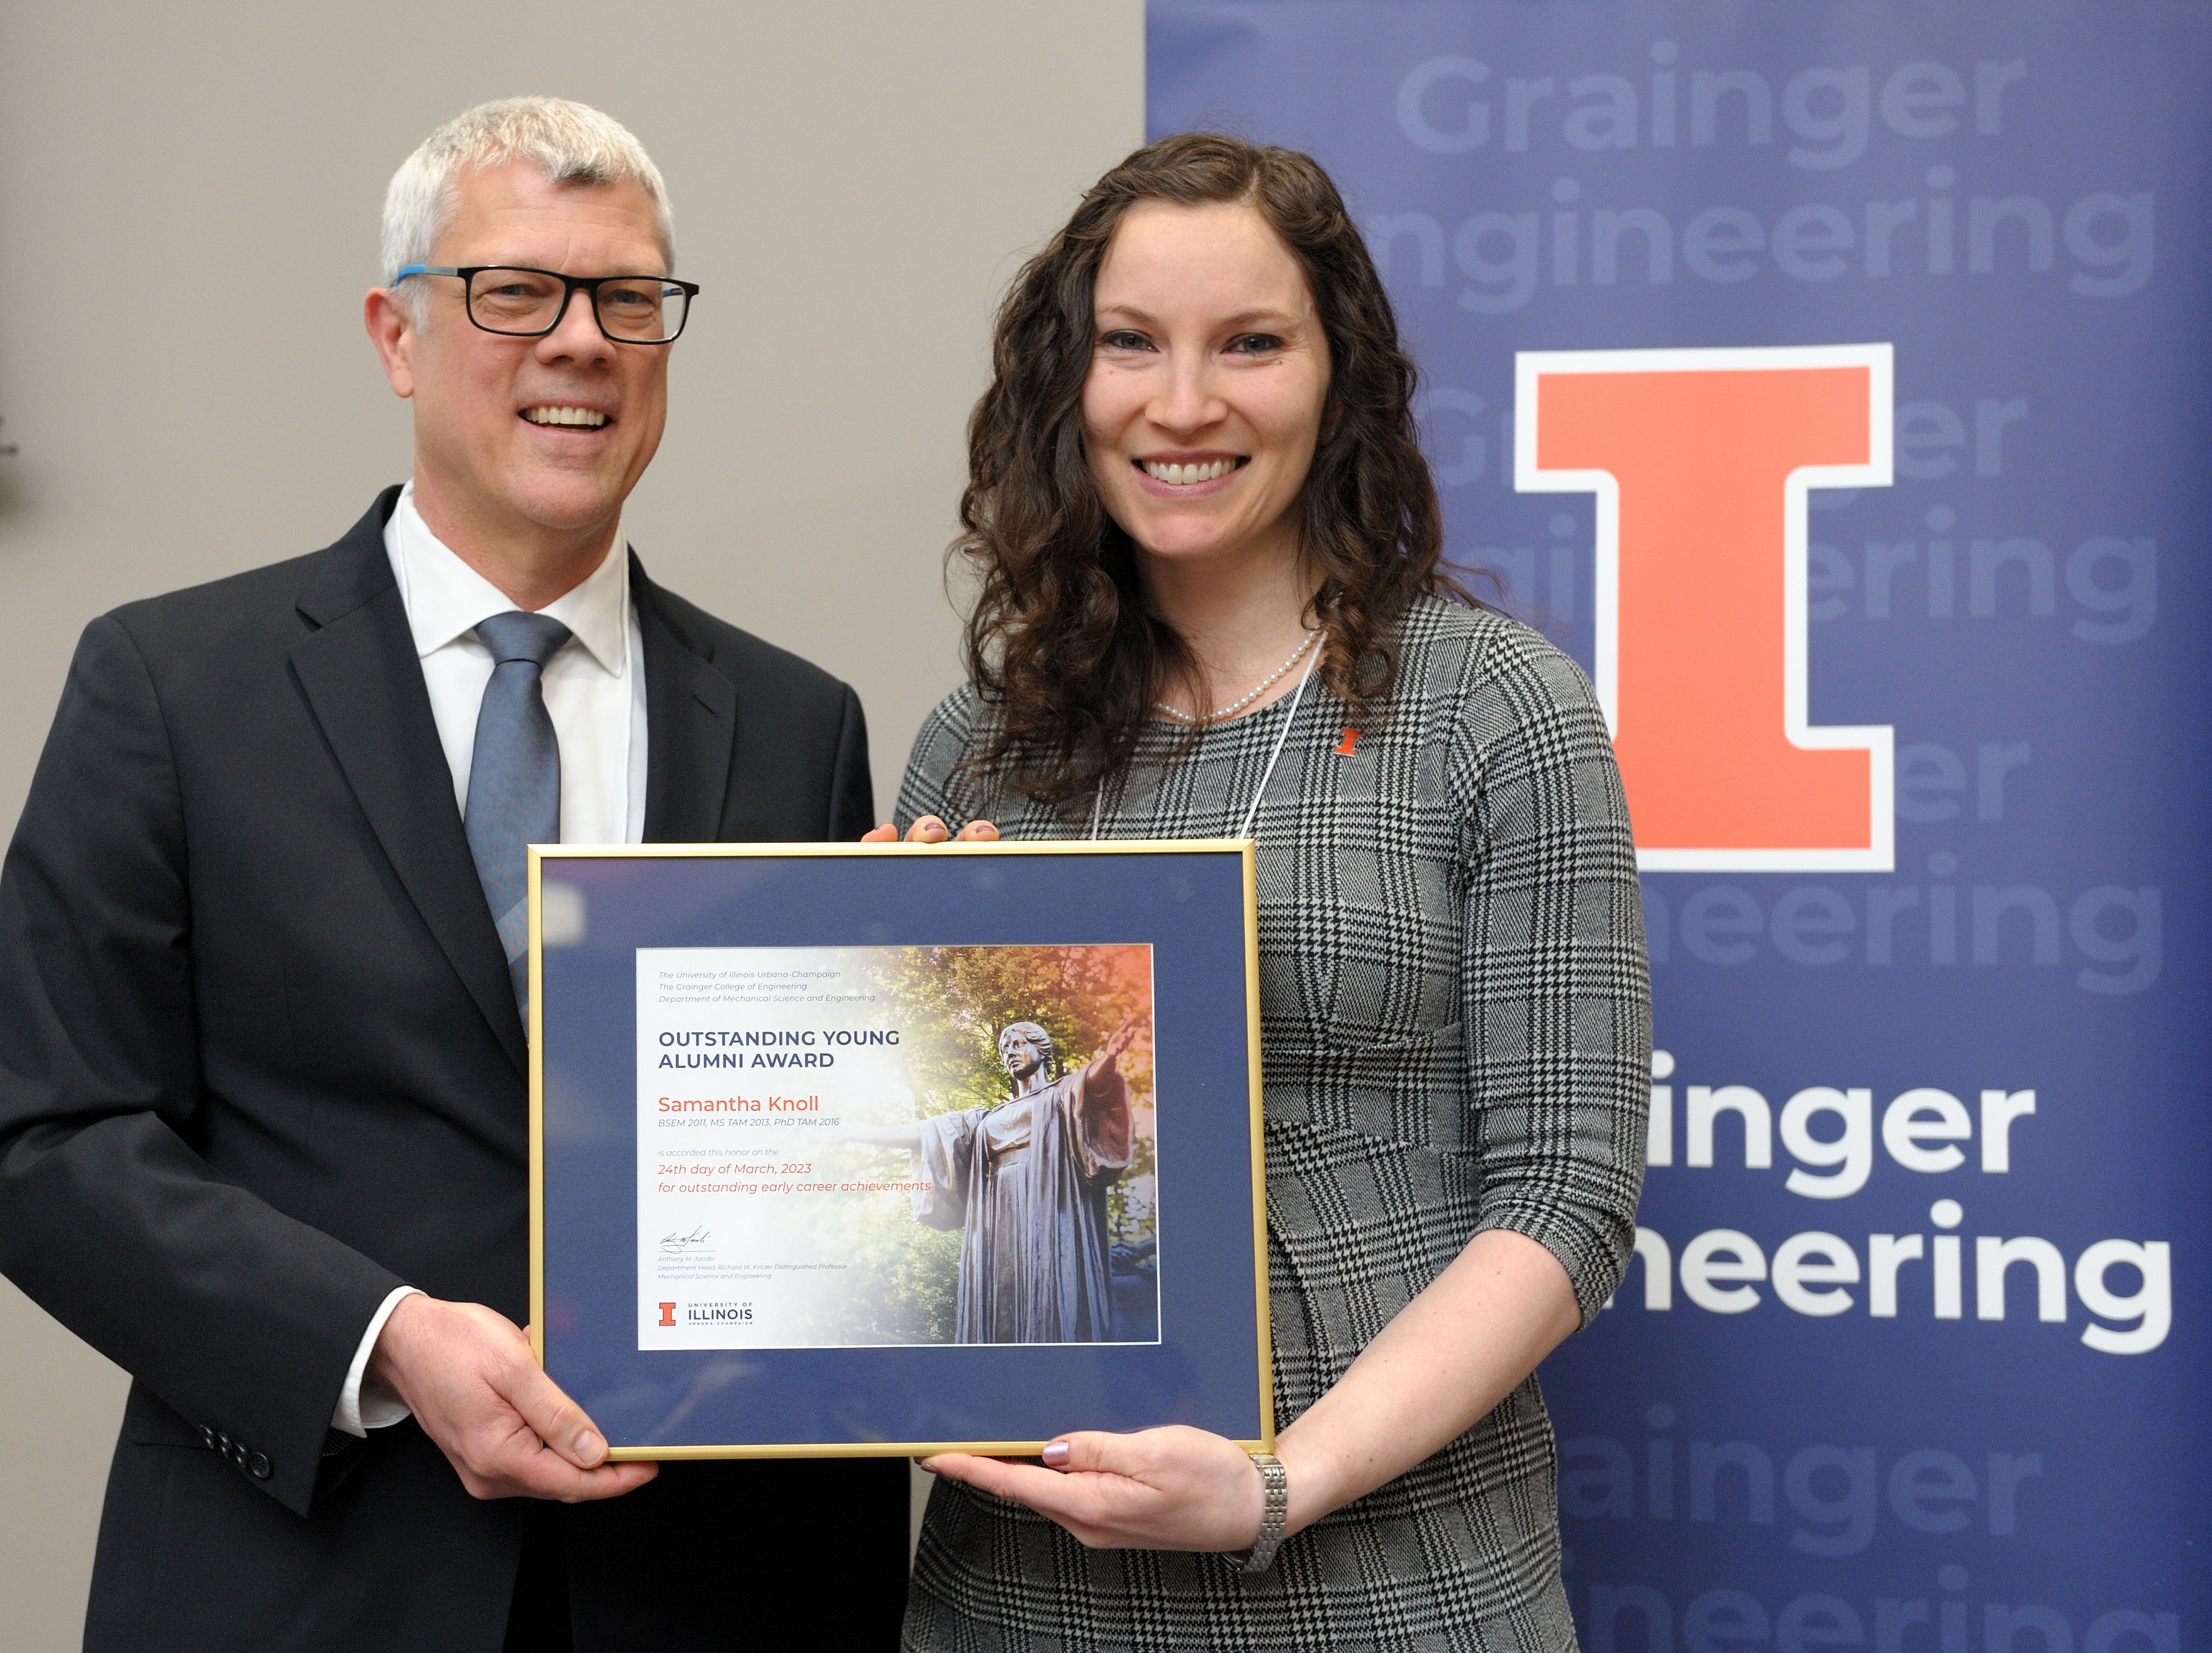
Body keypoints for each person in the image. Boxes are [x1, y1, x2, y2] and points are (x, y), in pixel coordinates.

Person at [0, 98, 906, 1652]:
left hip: (710, 1584)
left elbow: (807, 1176)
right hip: (298, 1573)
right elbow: (42, 1131)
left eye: (629, 298)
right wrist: (382, 1338)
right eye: (512, 291)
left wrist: (925, 1009)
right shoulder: (171, 684)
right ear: (397, 333)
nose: (580, 342)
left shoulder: (793, 720)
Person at [871, 132, 1650, 1649]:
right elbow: (920, 1211)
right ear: (1067, 383)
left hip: (1392, 1583)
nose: (1181, 403)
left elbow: (1567, 1191)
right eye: (1129, 345)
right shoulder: (976, 745)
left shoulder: (1499, 709)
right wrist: (873, 1026)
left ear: (1335, 375)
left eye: (1249, 343)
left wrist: (1276, 1482)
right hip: (1022, 1593)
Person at [846, 1020, 1136, 1343]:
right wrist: (854, 1134)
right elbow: (925, 1134)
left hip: (1048, 1205)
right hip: (999, 1216)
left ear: (1042, 1049)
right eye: (1004, 1049)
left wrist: (1110, 1056)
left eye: (1018, 1044)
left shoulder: (1060, 1095)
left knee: (1048, 1286)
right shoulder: (984, 1120)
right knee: (1003, 1298)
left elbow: (1095, 1083)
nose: (1010, 1053)